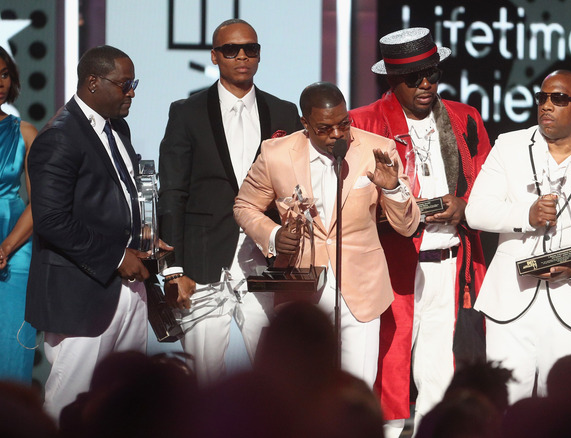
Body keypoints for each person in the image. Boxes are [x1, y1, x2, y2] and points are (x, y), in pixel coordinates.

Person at [465, 70, 571, 403]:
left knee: (561, 409)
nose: (546, 105)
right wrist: (526, 215)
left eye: (559, 99)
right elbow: (476, 211)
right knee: (503, 405)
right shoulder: (510, 145)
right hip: (510, 300)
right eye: (542, 97)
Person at [349, 27, 491, 435]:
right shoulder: (364, 122)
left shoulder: (465, 119)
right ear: (391, 80)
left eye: (432, 73)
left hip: (450, 261)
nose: (426, 84)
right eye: (414, 78)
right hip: (393, 263)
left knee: (442, 368)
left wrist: (465, 207)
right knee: (388, 365)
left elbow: (488, 186)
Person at [233, 81, 420, 388]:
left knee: (355, 390)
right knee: (299, 391)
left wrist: (392, 188)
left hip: (361, 289)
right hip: (302, 288)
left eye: (343, 124)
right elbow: (245, 205)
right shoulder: (276, 154)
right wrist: (274, 235)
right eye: (325, 128)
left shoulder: (377, 149)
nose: (337, 135)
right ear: (305, 124)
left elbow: (407, 226)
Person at [158, 18, 302, 384]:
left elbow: (300, 187)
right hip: (203, 265)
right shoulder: (186, 112)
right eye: (230, 49)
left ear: (259, 55)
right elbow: (173, 191)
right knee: (204, 381)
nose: (241, 56)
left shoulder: (284, 113)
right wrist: (173, 269)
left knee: (277, 376)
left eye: (250, 49)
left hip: (266, 263)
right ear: (214, 55)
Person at [25, 45, 153, 421]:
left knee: (125, 407)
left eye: (135, 83)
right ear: (93, 82)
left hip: (128, 290)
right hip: (82, 296)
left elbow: (117, 197)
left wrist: (146, 237)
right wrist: (116, 256)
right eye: (125, 84)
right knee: (71, 406)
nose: (132, 92)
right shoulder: (59, 137)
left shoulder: (118, 127)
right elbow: (51, 219)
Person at [0, 46, 37, 383]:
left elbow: (41, 202)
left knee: (11, 360)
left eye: (4, 74)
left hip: (15, 255)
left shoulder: (24, 133)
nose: (0, 82)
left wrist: (6, 248)